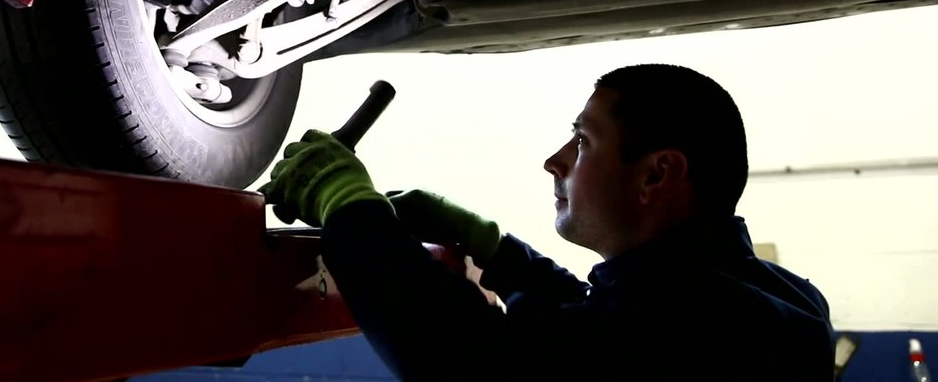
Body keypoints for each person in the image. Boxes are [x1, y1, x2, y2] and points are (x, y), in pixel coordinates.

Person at [262, 64, 835, 381]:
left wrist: (349, 203)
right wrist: (493, 247)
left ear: (657, 174)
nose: (555, 161)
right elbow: (592, 327)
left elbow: (467, 360)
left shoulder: (691, 327)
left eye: (583, 142)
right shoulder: (777, 301)